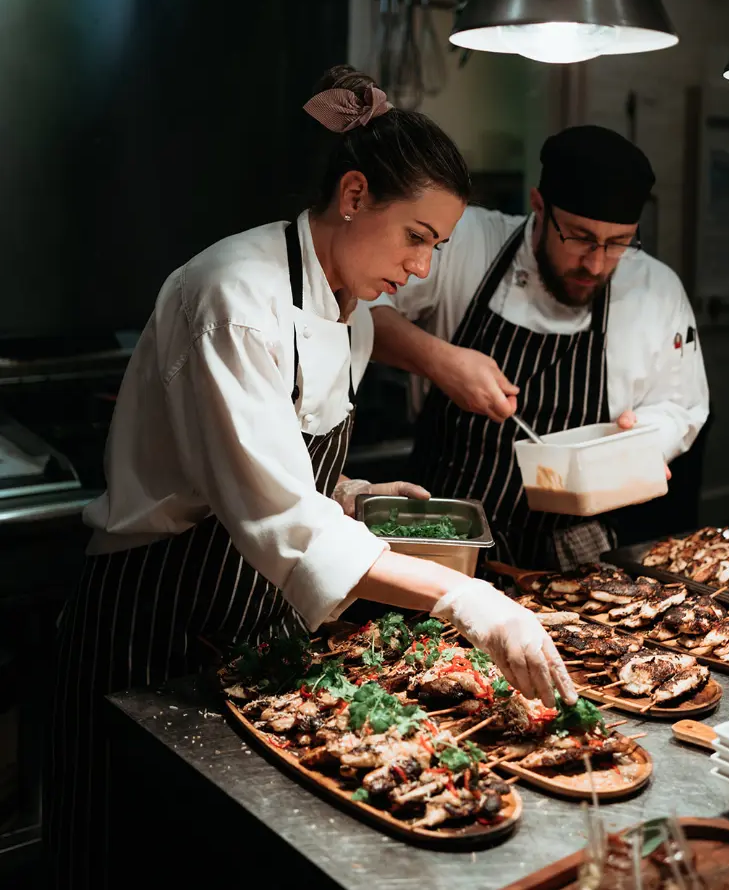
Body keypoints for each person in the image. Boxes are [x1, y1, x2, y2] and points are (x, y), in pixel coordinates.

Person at [45, 66, 577, 890]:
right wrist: (469, 598)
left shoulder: (344, 303)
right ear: (355, 194)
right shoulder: (234, 298)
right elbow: (282, 521)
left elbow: (268, 469)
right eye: (417, 237)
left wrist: (349, 493)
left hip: (249, 621)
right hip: (153, 619)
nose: (423, 269)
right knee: (128, 852)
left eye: (437, 247)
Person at [369, 125, 710, 572]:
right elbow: (357, 308)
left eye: (617, 244)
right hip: (443, 527)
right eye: (580, 237)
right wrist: (439, 361)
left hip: (574, 549)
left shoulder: (657, 291)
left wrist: (640, 440)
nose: (596, 264)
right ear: (539, 206)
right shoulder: (467, 241)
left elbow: (681, 405)